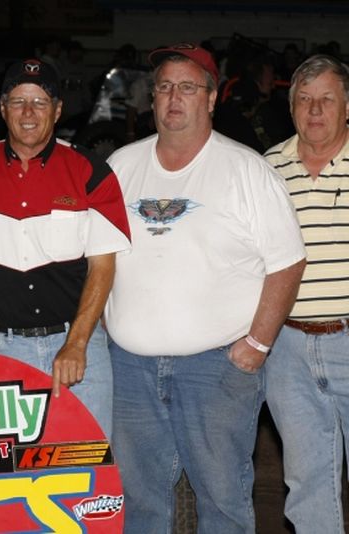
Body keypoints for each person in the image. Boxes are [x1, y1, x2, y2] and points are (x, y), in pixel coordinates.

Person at [104, 43, 306, 534]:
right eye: (165, 87)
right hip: (130, 369)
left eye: (188, 87)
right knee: (139, 499)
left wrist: (257, 344)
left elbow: (288, 261)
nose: (175, 97)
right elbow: (94, 256)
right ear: (152, 99)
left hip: (215, 369)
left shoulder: (246, 169)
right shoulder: (119, 167)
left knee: (222, 500)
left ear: (211, 99)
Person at [0, 58, 131, 439]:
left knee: (88, 474)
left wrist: (76, 343)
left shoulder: (90, 171)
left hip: (78, 348)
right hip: (3, 348)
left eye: (40, 102)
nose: (28, 113)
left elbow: (103, 267)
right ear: (2, 109)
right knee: (13, 478)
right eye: (18, 101)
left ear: (58, 110)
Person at [263, 54, 349, 534]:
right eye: (304, 99)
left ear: (347, 106)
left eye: (327, 100)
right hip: (288, 349)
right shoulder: (266, 168)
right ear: (291, 105)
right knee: (305, 479)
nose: (314, 110)